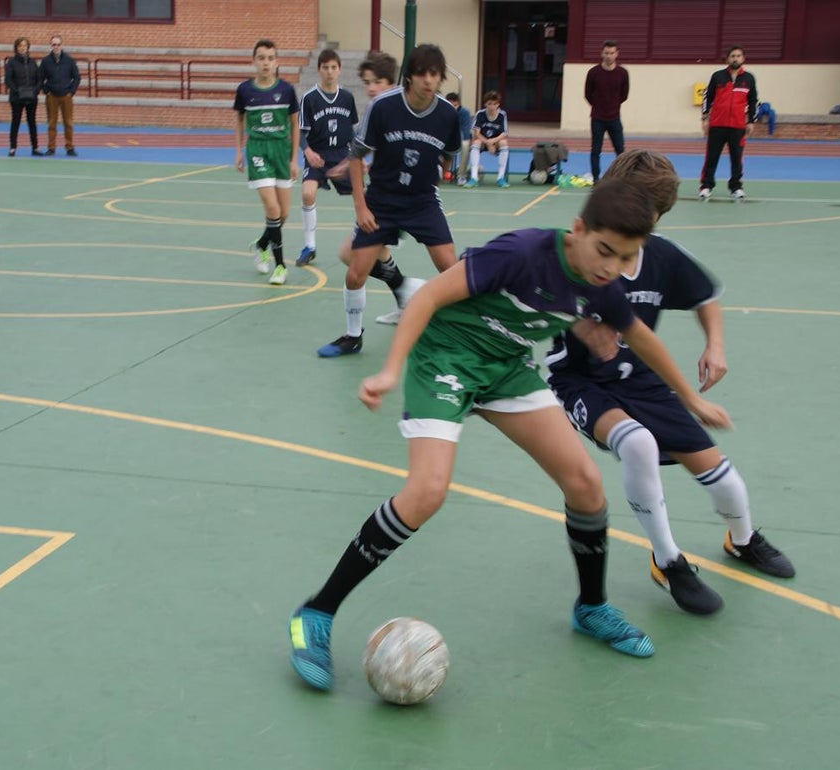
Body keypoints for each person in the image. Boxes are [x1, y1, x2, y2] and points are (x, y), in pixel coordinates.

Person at [289, 180, 734, 690]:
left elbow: (643, 339)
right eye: (605, 250)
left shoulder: (602, 284)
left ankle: (591, 607)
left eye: (625, 258)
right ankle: (316, 613)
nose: (610, 266)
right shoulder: (524, 251)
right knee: (427, 491)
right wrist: (391, 370)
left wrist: (692, 399)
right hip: (446, 359)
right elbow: (430, 295)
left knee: (586, 485)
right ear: (580, 229)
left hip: (506, 369)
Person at [545, 150, 794, 615]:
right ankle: (668, 561)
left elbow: (707, 295)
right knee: (637, 445)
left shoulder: (661, 257)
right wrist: (577, 323)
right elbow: (541, 290)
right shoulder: (585, 250)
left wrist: (714, 347)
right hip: (578, 380)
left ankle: (741, 539)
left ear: (657, 217)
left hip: (640, 377)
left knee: (725, 480)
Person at [317, 44, 460, 358]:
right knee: (355, 272)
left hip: (422, 200)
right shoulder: (383, 106)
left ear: (440, 78)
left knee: (451, 267)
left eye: (434, 74)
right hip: (382, 200)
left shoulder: (447, 114)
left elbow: (449, 156)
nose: (427, 80)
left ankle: (461, 333)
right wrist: (361, 206)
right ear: (409, 76)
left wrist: (438, 172)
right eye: (421, 73)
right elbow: (356, 156)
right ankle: (353, 337)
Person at [329, 50, 424, 327]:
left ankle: (410, 290)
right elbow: (370, 148)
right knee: (379, 254)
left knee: (348, 254)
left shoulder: (398, 110)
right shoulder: (380, 109)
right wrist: (353, 164)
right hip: (383, 197)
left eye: (377, 81)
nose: (371, 87)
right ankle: (405, 297)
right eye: (367, 82)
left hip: (396, 200)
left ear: (392, 82)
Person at [234, 39, 300, 286]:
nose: (266, 62)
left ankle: (262, 243)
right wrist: (239, 151)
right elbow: (239, 120)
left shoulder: (286, 90)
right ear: (254, 61)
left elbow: (294, 124)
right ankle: (281, 265)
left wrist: (294, 159)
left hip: (281, 152)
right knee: (272, 210)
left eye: (270, 58)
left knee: (283, 215)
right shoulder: (245, 90)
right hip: (258, 151)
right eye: (261, 58)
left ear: (276, 62)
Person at [296, 49, 358, 267]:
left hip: (342, 155)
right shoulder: (309, 99)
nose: (330, 72)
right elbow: (301, 132)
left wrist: (354, 157)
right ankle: (309, 246)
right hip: (318, 155)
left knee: (363, 195)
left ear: (339, 70)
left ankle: (362, 241)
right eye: (325, 67)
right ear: (319, 70)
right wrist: (308, 152)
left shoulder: (347, 97)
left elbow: (352, 131)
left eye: (334, 67)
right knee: (307, 193)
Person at [699, 46, 758, 201]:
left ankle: (736, 187)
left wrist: (751, 121)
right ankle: (706, 186)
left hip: (738, 127)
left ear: (743, 58)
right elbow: (707, 97)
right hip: (717, 125)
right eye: (732, 56)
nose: (735, 59)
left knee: (737, 158)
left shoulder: (749, 79)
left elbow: (753, 101)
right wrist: (705, 118)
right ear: (728, 58)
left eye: (738, 56)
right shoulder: (718, 76)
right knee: (711, 157)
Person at [584, 40, 628, 183]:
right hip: (597, 118)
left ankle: (621, 178)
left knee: (620, 150)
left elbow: (624, 95)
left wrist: (613, 105)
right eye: (606, 53)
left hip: (614, 118)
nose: (609, 56)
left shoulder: (622, 73)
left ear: (617, 54)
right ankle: (596, 179)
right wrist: (598, 106)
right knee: (595, 150)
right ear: (602, 54)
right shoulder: (593, 72)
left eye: (612, 53)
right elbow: (588, 94)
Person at [39, 34, 80, 156]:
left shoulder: (69, 60)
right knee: (52, 122)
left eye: (58, 44)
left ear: (62, 45)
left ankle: (70, 147)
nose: (56, 46)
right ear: (51, 46)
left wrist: (71, 92)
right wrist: (46, 90)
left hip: (66, 96)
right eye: (53, 44)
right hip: (52, 96)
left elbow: (77, 77)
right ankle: (51, 148)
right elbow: (40, 78)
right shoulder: (46, 61)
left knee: (68, 122)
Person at [5, 37, 43, 157]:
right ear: (16, 48)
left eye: (25, 45)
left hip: (31, 97)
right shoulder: (11, 62)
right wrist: (18, 91)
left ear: (28, 47)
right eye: (20, 46)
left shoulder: (33, 62)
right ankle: (12, 147)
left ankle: (35, 147)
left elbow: (39, 79)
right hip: (17, 98)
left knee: (32, 122)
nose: (23, 48)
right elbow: (8, 80)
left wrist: (35, 91)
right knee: (15, 122)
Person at [463, 90, 510, 188]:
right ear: (485, 104)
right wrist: (488, 143)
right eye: (489, 104)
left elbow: (504, 133)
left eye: (494, 104)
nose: (492, 106)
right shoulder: (480, 114)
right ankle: (474, 178)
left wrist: (493, 142)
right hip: (483, 140)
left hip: (496, 141)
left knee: (504, 143)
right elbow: (477, 133)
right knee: (475, 142)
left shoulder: (502, 114)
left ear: (498, 104)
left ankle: (500, 178)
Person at [444, 92, 472, 184]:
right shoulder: (442, 112)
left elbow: (466, 131)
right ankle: (438, 172)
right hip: (444, 138)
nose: (453, 108)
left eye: (455, 105)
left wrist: (455, 138)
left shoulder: (465, 113)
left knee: (465, 145)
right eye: (450, 105)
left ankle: (461, 176)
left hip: (460, 139)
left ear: (459, 104)